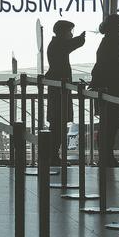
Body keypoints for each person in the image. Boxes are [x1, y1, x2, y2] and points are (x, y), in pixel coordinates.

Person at [45, 20, 85, 166]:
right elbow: (72, 45)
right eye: (69, 31)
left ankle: (54, 156)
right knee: (58, 125)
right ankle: (53, 156)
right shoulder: (58, 45)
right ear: (62, 32)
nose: (70, 34)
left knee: (57, 124)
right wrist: (81, 39)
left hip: (58, 90)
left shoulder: (55, 44)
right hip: (59, 92)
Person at [90, 14, 119, 167]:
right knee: (109, 126)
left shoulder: (108, 44)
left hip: (110, 93)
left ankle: (106, 157)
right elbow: (107, 70)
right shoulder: (110, 45)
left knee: (108, 126)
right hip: (112, 94)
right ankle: (106, 158)